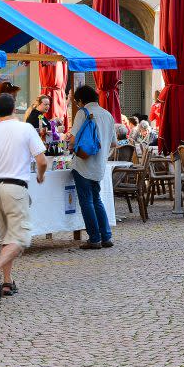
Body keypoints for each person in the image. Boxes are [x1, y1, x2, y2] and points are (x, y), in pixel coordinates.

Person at [0, 93, 47, 300]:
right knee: (20, 238)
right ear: (15, 109)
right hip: (16, 188)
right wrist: (40, 176)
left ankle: (6, 282)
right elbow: (42, 161)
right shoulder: (26, 129)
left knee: (7, 237)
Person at [68, 85, 116, 250]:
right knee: (96, 199)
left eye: (77, 102)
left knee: (86, 201)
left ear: (81, 100)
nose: (77, 105)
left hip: (83, 164)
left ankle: (94, 238)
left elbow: (73, 140)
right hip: (99, 166)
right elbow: (114, 143)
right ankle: (106, 236)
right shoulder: (108, 115)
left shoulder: (84, 113)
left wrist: (71, 147)